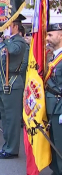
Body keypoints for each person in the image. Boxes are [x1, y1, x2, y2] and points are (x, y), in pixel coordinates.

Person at [0, 15, 27, 159]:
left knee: (12, 119)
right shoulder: (9, 41)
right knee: (5, 117)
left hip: (12, 81)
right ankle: (7, 146)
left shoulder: (19, 41)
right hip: (3, 81)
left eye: (8, 26)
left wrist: (6, 39)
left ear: (15, 26)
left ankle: (12, 149)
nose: (5, 29)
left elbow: (13, 51)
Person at [44, 23, 62, 174]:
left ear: (60, 35)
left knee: (60, 144)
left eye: (50, 35)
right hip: (51, 103)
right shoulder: (52, 55)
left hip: (59, 106)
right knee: (54, 142)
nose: (47, 38)